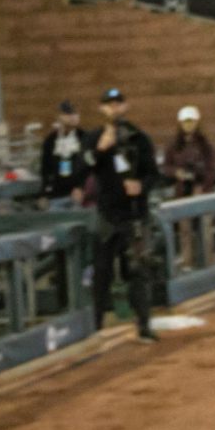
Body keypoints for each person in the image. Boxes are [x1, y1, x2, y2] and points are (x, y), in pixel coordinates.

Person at [87, 87, 158, 340]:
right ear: (101, 108)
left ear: (125, 106)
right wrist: (100, 149)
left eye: (118, 104)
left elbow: (153, 173)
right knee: (102, 272)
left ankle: (144, 326)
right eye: (109, 104)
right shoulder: (94, 137)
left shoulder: (139, 137)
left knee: (139, 271)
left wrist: (141, 186)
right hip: (108, 214)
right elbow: (82, 167)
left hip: (135, 214)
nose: (114, 108)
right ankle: (95, 326)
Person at [162, 105, 215, 270]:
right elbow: (166, 166)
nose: (188, 125)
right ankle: (188, 262)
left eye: (191, 121)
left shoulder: (206, 145)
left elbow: (211, 169)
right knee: (185, 230)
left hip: (202, 193)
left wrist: (202, 186)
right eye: (185, 122)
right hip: (182, 193)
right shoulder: (174, 145)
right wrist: (177, 173)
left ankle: (208, 261)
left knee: (206, 228)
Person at [37, 100, 90, 204]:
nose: (73, 117)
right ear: (59, 117)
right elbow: (45, 169)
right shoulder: (50, 141)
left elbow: (89, 167)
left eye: (75, 114)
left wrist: (81, 187)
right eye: (68, 114)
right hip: (57, 194)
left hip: (80, 195)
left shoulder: (85, 137)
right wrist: (43, 194)